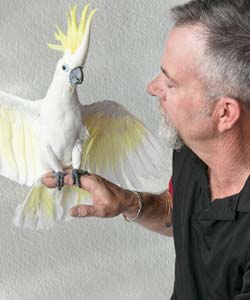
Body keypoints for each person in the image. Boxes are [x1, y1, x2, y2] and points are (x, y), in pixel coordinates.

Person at [42, 0, 250, 299]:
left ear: (225, 113)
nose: (153, 88)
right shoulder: (191, 151)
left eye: (170, 83)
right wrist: (127, 202)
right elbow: (180, 212)